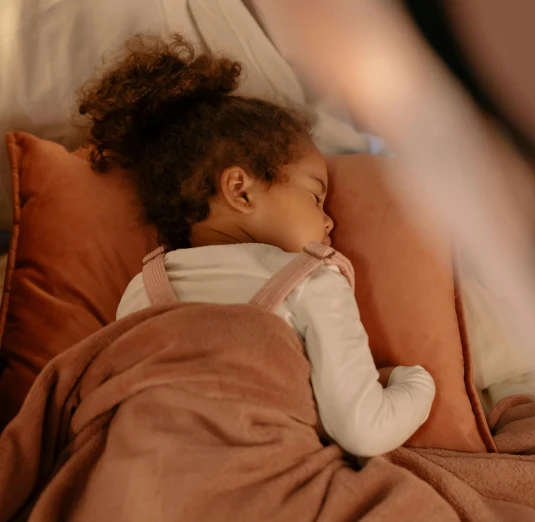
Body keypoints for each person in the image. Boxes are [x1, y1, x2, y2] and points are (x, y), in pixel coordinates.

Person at [77, 34, 435, 458]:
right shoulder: (312, 281)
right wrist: (416, 383)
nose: (329, 219)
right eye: (315, 195)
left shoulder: (141, 289)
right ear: (240, 191)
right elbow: (363, 430)